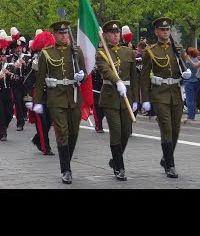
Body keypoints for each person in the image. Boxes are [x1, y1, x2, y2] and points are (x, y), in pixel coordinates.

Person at [30, 21, 87, 184]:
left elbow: (85, 76)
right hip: (55, 98)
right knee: (62, 132)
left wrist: (81, 76)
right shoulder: (46, 53)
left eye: (65, 33)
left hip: (74, 97)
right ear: (54, 35)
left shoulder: (76, 51)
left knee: (74, 132)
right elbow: (40, 80)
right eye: (60, 33)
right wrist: (38, 101)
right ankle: (66, 170)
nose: (64, 35)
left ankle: (66, 161)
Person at [140, 17, 191, 178]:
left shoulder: (177, 48)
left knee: (176, 129)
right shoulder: (150, 51)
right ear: (156, 32)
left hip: (175, 93)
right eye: (162, 30)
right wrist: (145, 99)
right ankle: (170, 165)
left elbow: (182, 68)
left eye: (168, 29)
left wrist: (186, 74)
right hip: (159, 93)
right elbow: (144, 77)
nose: (166, 32)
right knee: (166, 128)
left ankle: (166, 157)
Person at [95, 20, 138, 181]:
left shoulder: (129, 52)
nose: (115, 35)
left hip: (126, 97)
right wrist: (117, 81)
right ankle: (120, 168)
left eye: (117, 32)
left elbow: (134, 78)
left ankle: (115, 159)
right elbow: (105, 70)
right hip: (110, 97)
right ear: (105, 35)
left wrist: (136, 99)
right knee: (116, 130)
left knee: (126, 132)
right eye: (112, 33)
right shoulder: (101, 53)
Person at [182, 47, 199, 123]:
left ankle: (190, 117)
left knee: (190, 100)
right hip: (196, 81)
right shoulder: (197, 60)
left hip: (189, 82)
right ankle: (193, 115)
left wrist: (186, 57)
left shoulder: (188, 62)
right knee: (194, 99)